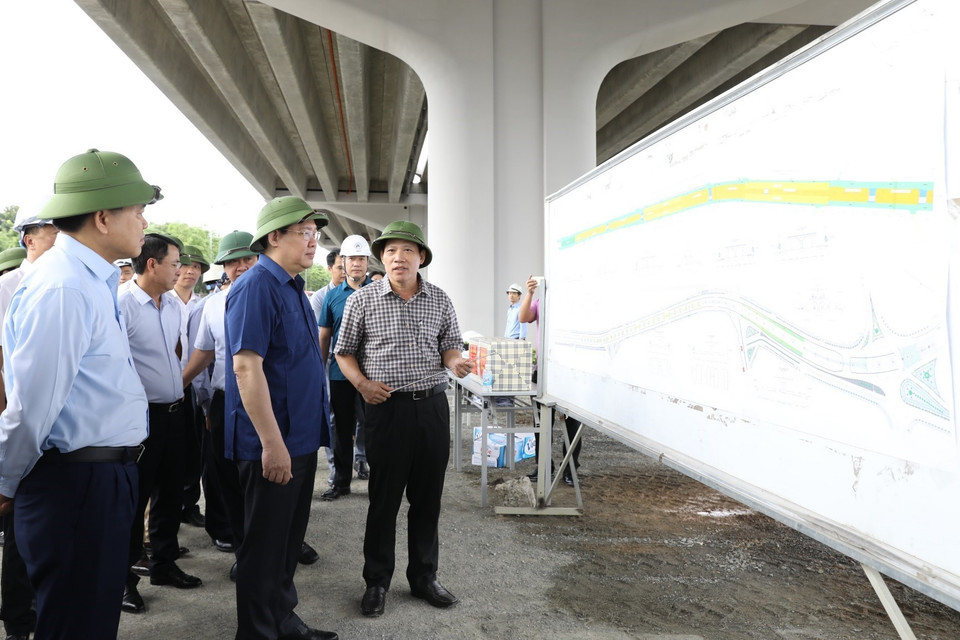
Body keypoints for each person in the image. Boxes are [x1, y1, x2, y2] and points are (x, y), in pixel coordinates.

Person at [0, 148, 158, 639]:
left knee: (89, 617)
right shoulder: (64, 287)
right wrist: (4, 482)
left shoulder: (90, 280)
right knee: (77, 624)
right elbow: (31, 409)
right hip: (75, 485)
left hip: (99, 481)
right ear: (104, 216)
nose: (145, 220)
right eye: (137, 210)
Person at [334, 220, 474, 618]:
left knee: (427, 498)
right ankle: (376, 581)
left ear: (421, 258)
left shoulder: (440, 299)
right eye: (391, 251)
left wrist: (457, 362)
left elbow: (448, 346)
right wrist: (362, 385)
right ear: (383, 257)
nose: (399, 257)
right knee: (384, 499)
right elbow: (343, 352)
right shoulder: (361, 301)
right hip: (386, 408)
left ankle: (424, 578)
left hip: (431, 407)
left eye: (407, 251)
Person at [224, 197, 337, 640]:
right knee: (264, 549)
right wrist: (272, 444)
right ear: (275, 237)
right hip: (273, 443)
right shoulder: (256, 286)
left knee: (287, 544)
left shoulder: (292, 285)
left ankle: (282, 620)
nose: (313, 242)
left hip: (300, 438)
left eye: (315, 234)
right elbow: (246, 367)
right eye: (304, 233)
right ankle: (257, 632)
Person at [119, 233, 203, 615]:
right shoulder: (122, 305)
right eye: (174, 264)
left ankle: (164, 564)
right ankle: (124, 580)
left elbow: (174, 352)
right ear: (151, 264)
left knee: (171, 490)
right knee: (134, 501)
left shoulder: (172, 305)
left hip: (174, 411)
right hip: (140, 418)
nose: (181, 271)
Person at [0, 210, 58, 640]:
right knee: (19, 535)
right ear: (28, 240)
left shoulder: (70, 281)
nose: (62, 240)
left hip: (56, 433)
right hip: (18, 425)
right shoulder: (8, 287)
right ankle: (20, 623)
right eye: (53, 232)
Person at [318, 235, 373, 501]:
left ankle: (380, 481)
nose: (357, 264)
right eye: (352, 259)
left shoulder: (381, 293)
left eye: (362, 259)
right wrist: (320, 371)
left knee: (375, 428)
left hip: (374, 375)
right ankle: (341, 482)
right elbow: (324, 337)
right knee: (341, 430)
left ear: (367, 262)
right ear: (343, 262)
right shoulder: (332, 298)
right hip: (340, 375)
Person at [518, 275, 582, 486]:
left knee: (572, 424)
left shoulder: (577, 305)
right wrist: (529, 293)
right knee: (541, 422)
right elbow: (523, 317)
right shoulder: (542, 301)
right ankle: (544, 466)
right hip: (543, 371)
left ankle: (570, 467)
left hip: (572, 372)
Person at [172, 245, 211, 529]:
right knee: (172, 451)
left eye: (196, 267)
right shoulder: (163, 300)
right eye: (186, 266)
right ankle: (171, 508)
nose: (191, 271)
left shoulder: (201, 305)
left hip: (193, 386)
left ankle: (189, 503)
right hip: (165, 386)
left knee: (194, 449)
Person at [309, 248, 343, 322]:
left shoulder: (357, 293)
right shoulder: (319, 297)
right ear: (330, 269)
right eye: (340, 268)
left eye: (346, 267)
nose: (344, 272)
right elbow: (318, 329)